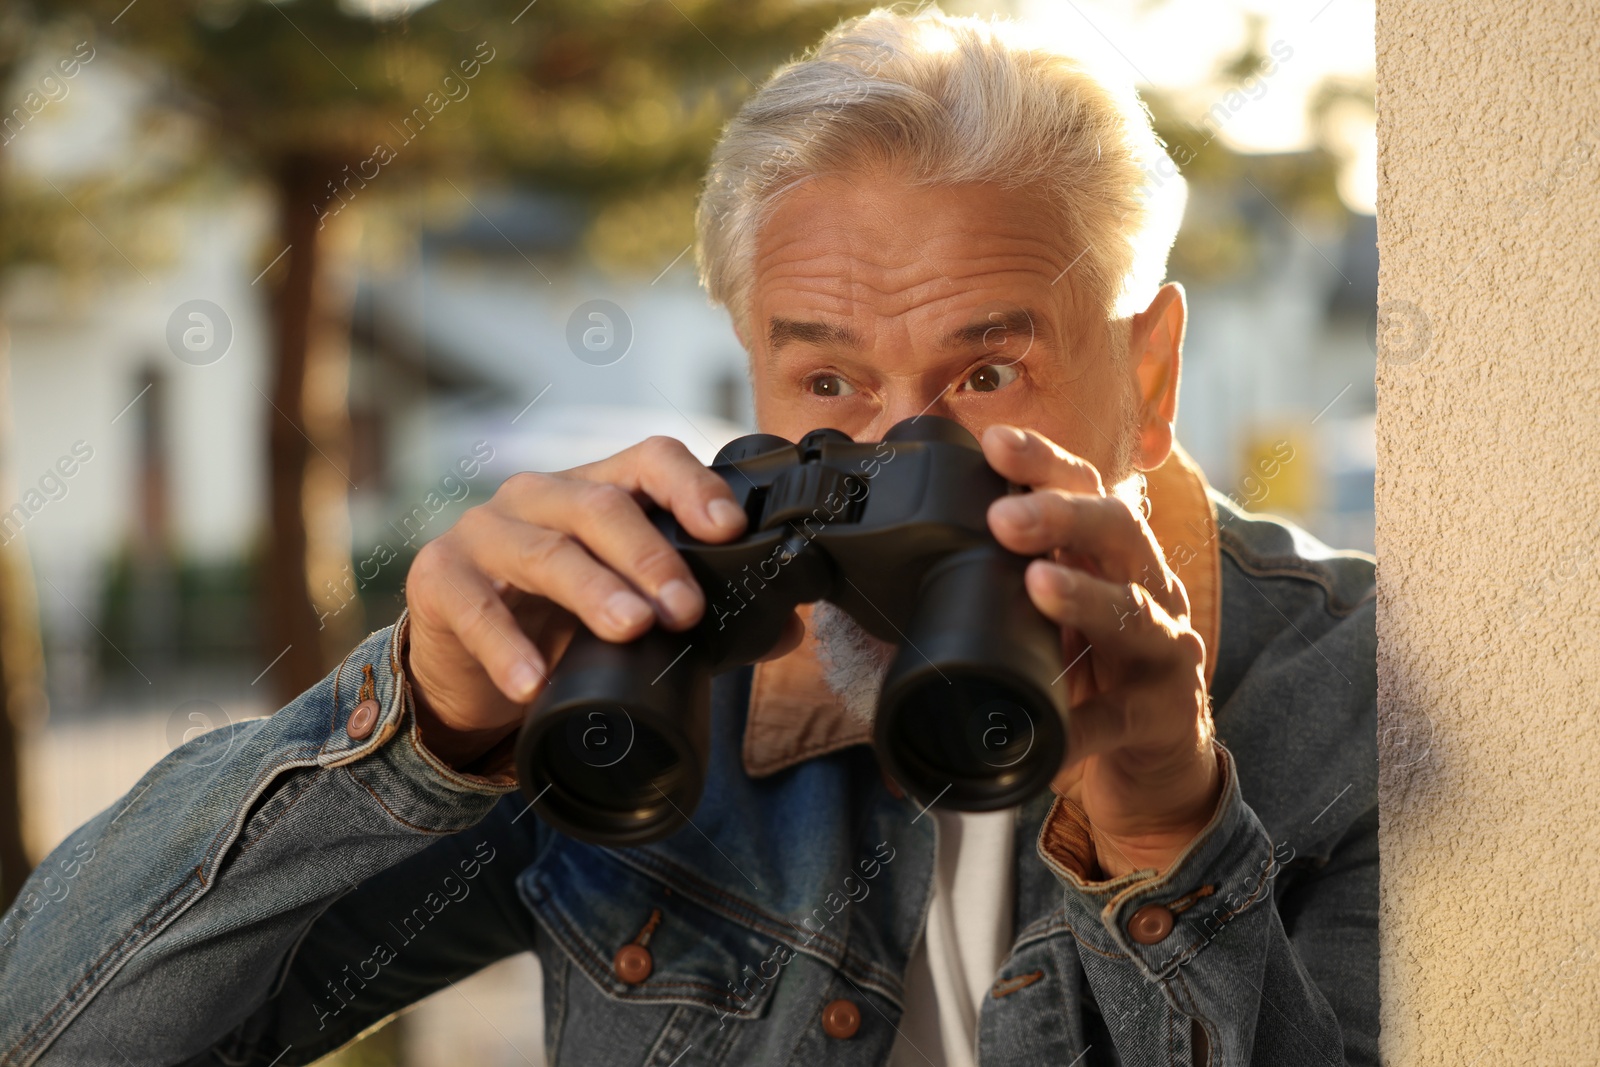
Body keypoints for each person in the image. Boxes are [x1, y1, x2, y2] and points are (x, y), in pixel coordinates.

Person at [0, 8, 1375, 1065]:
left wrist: (1165, 834)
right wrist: (414, 730)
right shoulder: (685, 686)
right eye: (828, 387)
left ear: (1149, 383)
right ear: (751, 380)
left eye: (983, 377)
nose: (907, 458)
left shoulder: (1361, 698)